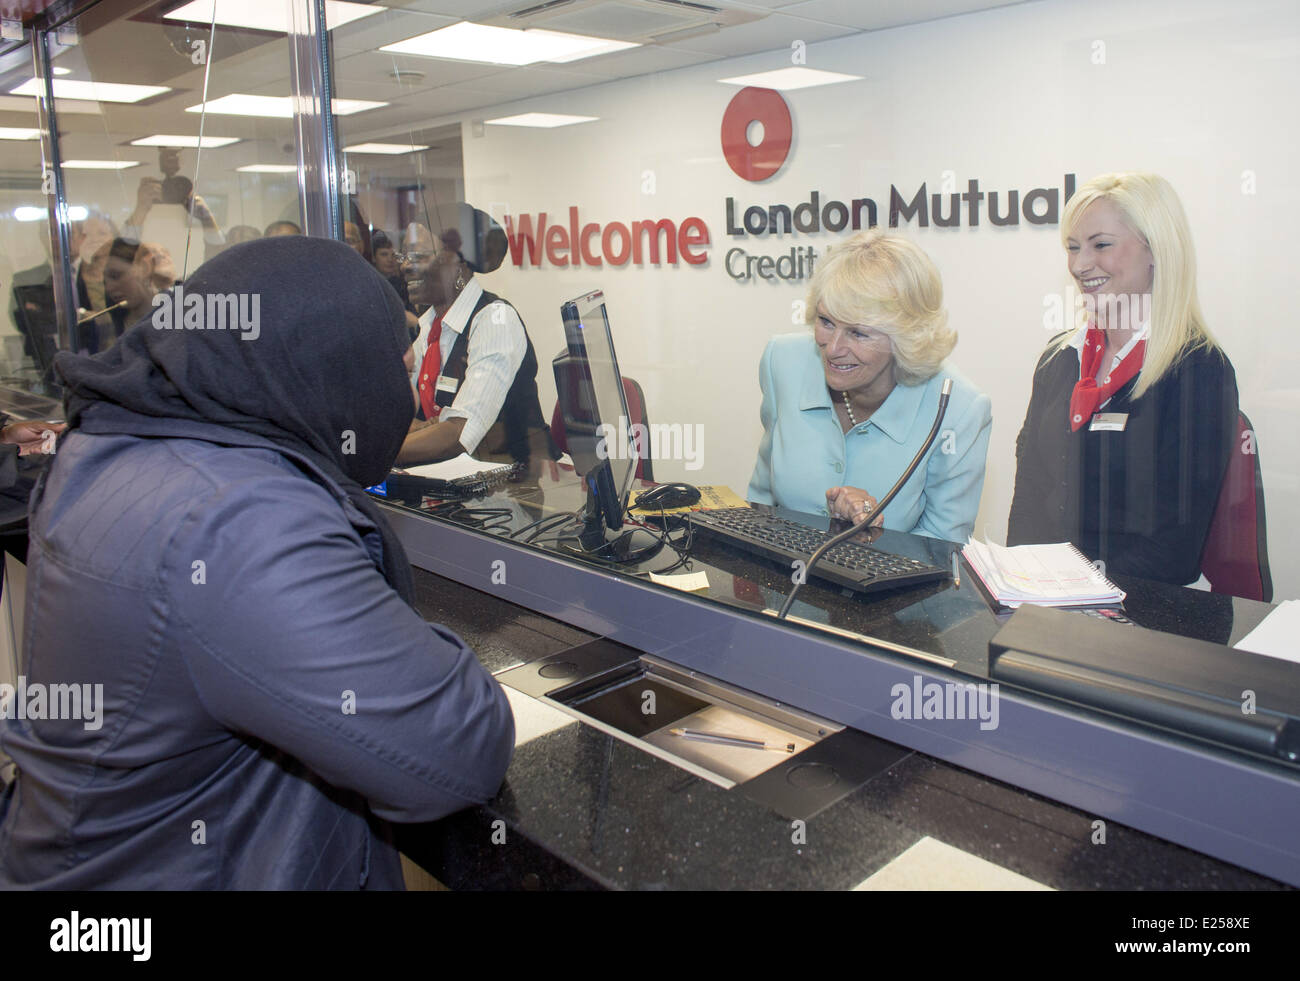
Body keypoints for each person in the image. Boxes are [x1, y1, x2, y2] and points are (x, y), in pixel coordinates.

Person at [0, 237, 514, 889]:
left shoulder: (108, 449)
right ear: (327, 366)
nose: (402, 400)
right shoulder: (242, 518)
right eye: (389, 366)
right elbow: (458, 745)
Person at [1007, 172, 1238, 585]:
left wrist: (1073, 594)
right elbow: (1028, 500)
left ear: (1156, 252)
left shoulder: (1199, 369)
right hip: (1048, 604)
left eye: (1101, 245)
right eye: (1073, 248)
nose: (1080, 265)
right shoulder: (1059, 359)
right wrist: (1019, 585)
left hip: (1144, 618)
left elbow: (1173, 551)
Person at [747, 230, 992, 542]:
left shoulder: (960, 409)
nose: (833, 348)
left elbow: (942, 552)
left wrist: (875, 537)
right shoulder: (782, 362)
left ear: (906, 336)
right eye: (826, 321)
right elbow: (760, 502)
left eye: (858, 333)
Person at [397, 204, 556, 473]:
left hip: (517, 493)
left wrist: (375, 454)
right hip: (455, 487)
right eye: (405, 255)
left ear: (459, 264)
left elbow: (459, 434)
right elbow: (395, 412)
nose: (404, 266)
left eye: (419, 256)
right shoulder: (427, 327)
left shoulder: (495, 321)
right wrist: (422, 427)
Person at [371, 230, 419, 338]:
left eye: (393, 255)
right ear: (374, 257)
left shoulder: (404, 284)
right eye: (384, 254)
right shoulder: (370, 287)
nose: (390, 259)